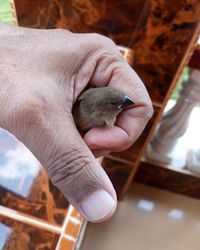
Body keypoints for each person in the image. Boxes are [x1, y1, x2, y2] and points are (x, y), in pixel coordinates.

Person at [0, 24, 153, 222]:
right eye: (117, 104)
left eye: (120, 102)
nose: (124, 104)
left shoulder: (103, 107)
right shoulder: (95, 111)